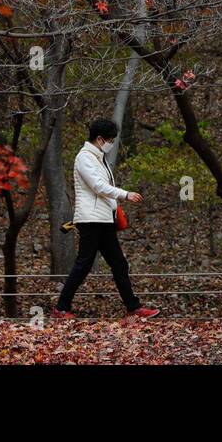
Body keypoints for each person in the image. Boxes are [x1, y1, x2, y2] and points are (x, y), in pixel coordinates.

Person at [52, 119, 160, 319]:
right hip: (91, 220)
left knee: (119, 263)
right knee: (84, 264)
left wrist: (115, 209)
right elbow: (98, 186)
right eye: (110, 139)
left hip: (103, 219)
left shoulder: (99, 159)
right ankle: (61, 308)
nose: (111, 143)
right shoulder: (84, 158)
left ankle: (133, 308)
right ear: (100, 139)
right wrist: (125, 194)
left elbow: (102, 190)